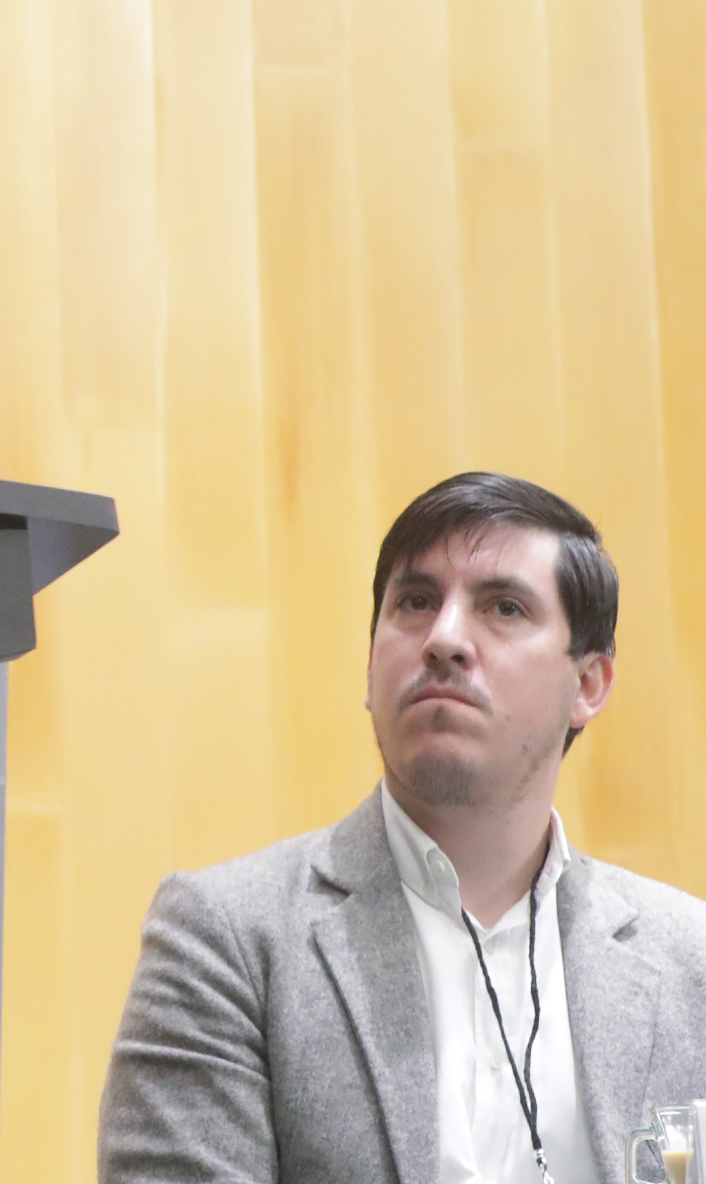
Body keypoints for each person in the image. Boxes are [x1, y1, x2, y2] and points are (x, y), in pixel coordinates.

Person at [99, 472, 706, 1183]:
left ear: (588, 684)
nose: (444, 638)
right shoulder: (228, 939)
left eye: (504, 607)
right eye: (416, 602)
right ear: (369, 667)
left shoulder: (688, 962)